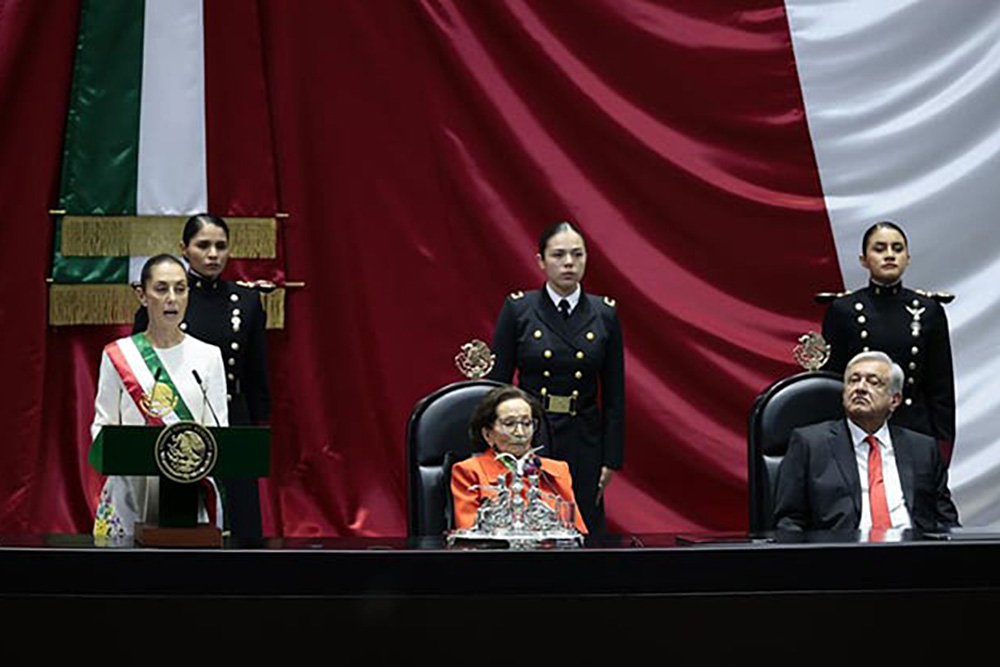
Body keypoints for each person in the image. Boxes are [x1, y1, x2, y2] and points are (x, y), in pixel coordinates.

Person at [134, 214, 270, 539]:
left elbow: (255, 371)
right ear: (184, 249)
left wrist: (256, 422)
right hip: (178, 418)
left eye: (221, 246)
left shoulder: (247, 301)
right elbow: (143, 368)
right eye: (203, 245)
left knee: (239, 520)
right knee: (180, 519)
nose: (213, 254)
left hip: (232, 418)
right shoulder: (166, 302)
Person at [488, 221, 624, 534]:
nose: (568, 263)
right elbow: (498, 387)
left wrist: (611, 458)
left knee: (581, 525)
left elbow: (615, 395)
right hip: (529, 435)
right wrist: (499, 447)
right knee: (529, 524)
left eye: (577, 255)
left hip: (584, 436)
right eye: (558, 255)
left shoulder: (604, 313)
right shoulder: (519, 309)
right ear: (541, 261)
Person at [92, 254, 229, 538]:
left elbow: (218, 432)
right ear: (142, 295)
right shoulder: (118, 355)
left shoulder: (208, 356)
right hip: (130, 490)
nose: (172, 298)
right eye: (161, 288)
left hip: (190, 493)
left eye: (180, 289)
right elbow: (102, 427)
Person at [772, 351, 959, 532]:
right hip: (841, 555)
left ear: (894, 400)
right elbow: (789, 522)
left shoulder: (922, 448)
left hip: (912, 554)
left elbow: (945, 520)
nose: (860, 388)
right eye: (853, 380)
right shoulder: (810, 445)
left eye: (873, 382)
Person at [820, 221, 955, 463]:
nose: (890, 255)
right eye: (879, 248)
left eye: (897, 248)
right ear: (864, 259)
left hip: (915, 430)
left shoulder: (928, 310)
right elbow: (832, 383)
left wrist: (942, 448)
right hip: (857, 430)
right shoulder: (843, 309)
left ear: (908, 258)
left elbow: (941, 389)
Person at [451, 385, 588, 533]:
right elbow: (469, 532)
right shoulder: (469, 471)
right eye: (509, 424)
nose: (520, 433)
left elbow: (576, 531)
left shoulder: (556, 471)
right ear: (488, 434)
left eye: (527, 423)